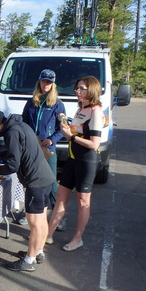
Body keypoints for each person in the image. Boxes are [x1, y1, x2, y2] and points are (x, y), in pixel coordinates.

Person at [0, 108, 56, 272]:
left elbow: (13, 166)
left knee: (34, 223)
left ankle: (29, 260)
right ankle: (38, 251)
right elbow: (18, 151)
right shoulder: (19, 125)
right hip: (45, 178)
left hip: (35, 182)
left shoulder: (11, 132)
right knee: (41, 219)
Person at [46, 76, 104, 252]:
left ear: (91, 90)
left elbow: (94, 144)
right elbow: (76, 133)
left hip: (87, 160)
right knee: (61, 198)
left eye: (82, 88)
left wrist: (71, 136)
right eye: (77, 88)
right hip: (73, 158)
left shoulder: (95, 111)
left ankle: (78, 238)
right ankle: (47, 234)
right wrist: (66, 125)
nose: (78, 92)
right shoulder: (81, 108)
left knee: (82, 201)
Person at [22, 69, 67, 229]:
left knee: (52, 182)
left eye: (49, 82)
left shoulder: (58, 104)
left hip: (48, 150)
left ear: (53, 84)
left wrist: (52, 139)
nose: (46, 84)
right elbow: (24, 123)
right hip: (32, 149)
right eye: (43, 81)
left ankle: (58, 217)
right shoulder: (31, 102)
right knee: (30, 180)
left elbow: (63, 127)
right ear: (39, 82)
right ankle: (28, 212)